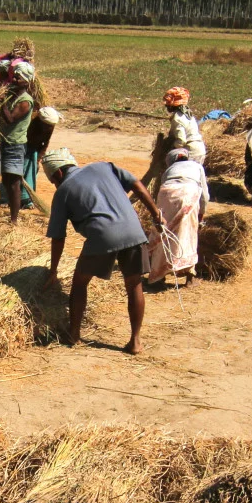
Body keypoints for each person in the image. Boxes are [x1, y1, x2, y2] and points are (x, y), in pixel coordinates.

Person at [41, 149, 164, 356]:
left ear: (58, 173)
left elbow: (58, 237)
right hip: (133, 231)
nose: (55, 185)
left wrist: (53, 270)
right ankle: (135, 342)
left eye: (53, 181)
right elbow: (136, 184)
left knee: (80, 283)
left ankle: (73, 334)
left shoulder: (63, 192)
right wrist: (156, 214)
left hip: (102, 236)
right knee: (134, 284)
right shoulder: (104, 167)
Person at [148, 148, 208, 286]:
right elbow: (204, 195)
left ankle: (158, 277)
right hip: (188, 194)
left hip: (166, 194)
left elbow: (161, 189)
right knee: (189, 235)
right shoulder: (197, 166)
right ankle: (190, 278)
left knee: (164, 233)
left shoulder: (168, 170)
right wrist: (201, 215)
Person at [0, 61, 36, 225]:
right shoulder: (12, 95)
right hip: (5, 142)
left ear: (27, 81)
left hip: (15, 145)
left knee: (14, 184)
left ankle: (14, 220)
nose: (15, 80)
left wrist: (1, 103)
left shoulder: (26, 101)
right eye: (15, 76)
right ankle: (12, 214)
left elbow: (10, 118)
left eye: (19, 78)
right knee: (6, 180)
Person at [163, 87, 206, 164]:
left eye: (168, 103)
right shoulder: (188, 114)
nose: (166, 105)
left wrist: (171, 149)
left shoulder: (177, 118)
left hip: (191, 152)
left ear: (173, 104)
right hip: (200, 151)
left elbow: (181, 141)